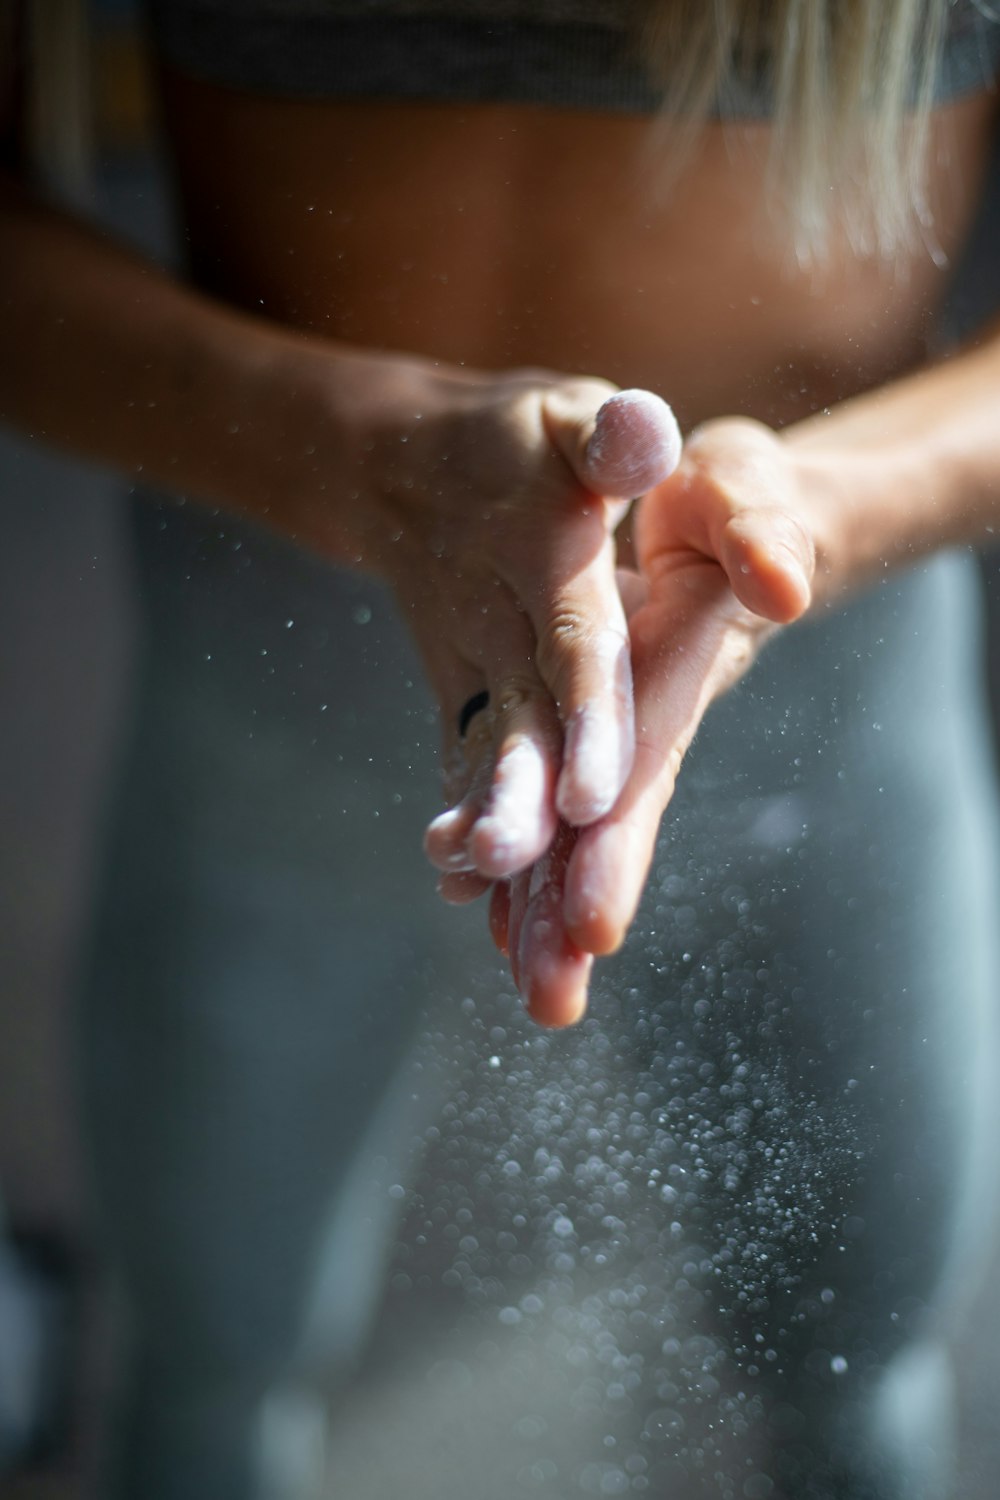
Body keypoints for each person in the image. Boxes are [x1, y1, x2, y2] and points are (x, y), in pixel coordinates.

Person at [2, 0, 1000, 1496]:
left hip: (824, 726)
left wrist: (801, 519)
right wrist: (358, 443)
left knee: (859, 1381)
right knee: (203, 1374)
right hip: (266, 721)